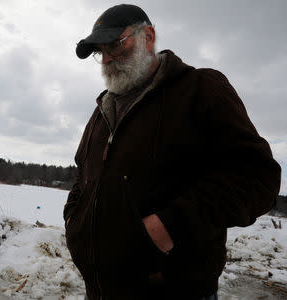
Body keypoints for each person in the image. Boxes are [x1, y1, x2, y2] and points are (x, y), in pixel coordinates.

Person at [63, 4, 281, 300]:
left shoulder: (200, 89)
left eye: (116, 44)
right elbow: (82, 176)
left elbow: (258, 178)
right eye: (101, 52)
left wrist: (171, 224)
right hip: (101, 291)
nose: (108, 58)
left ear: (148, 37)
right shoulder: (102, 111)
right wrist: (74, 219)